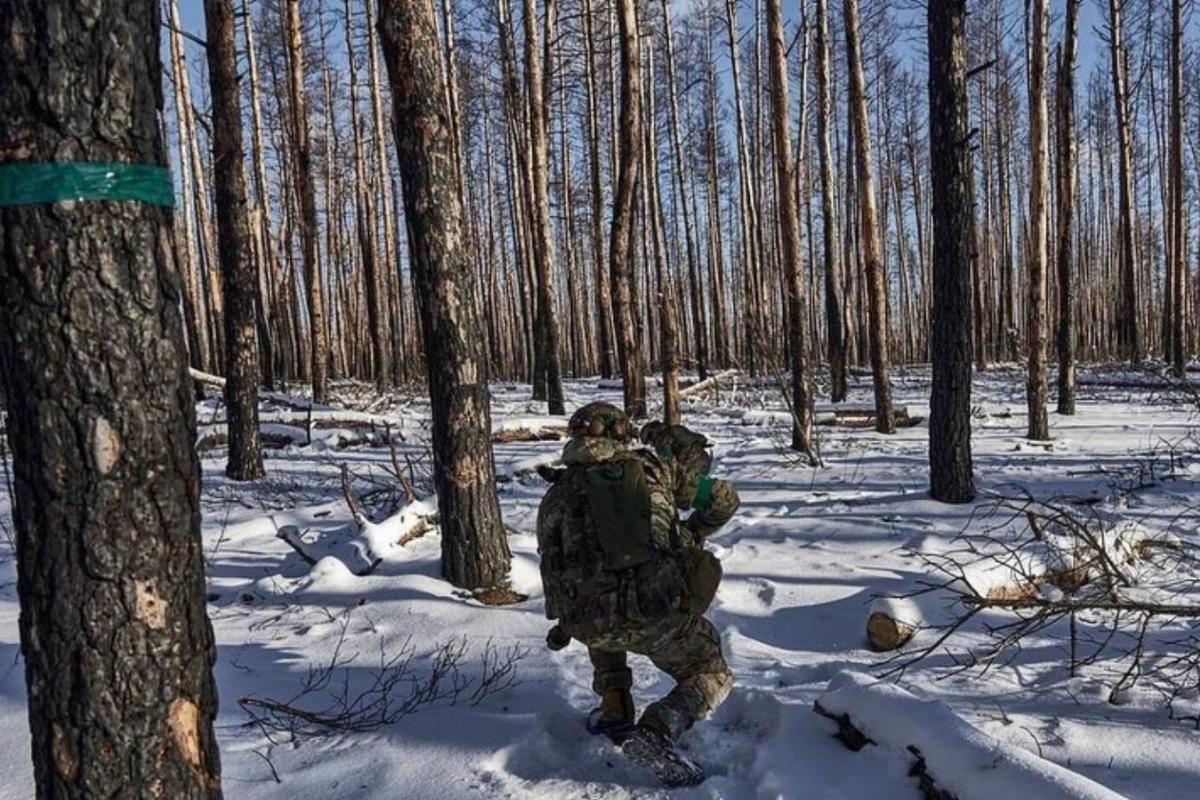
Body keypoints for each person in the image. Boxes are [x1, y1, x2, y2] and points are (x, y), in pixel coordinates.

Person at [536, 402, 739, 786]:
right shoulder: (655, 470)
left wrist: (565, 626)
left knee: (598, 598)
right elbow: (725, 499)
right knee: (712, 672)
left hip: (590, 624)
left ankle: (614, 707)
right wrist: (692, 532)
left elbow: (555, 572)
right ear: (620, 435)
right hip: (656, 613)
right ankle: (658, 729)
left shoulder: (555, 497)